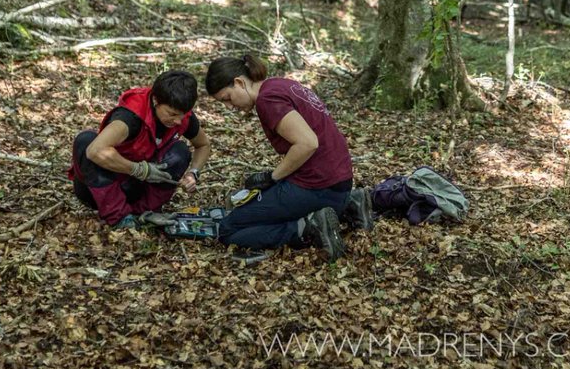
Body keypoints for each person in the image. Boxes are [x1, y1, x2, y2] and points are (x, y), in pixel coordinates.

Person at [206, 54, 370, 261]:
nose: (230, 107)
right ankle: (349, 205)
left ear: (239, 82)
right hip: (338, 181)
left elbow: (307, 143)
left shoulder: (268, 100)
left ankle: (307, 228)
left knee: (229, 229)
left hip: (319, 186)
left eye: (227, 99)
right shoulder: (278, 84)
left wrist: (272, 177)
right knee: (257, 206)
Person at [67, 70, 211, 228]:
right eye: (172, 114)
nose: (178, 121)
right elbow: (95, 151)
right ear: (156, 100)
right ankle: (120, 218)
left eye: (182, 115)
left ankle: (145, 212)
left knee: (180, 152)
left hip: (136, 189)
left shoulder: (183, 116)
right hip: (100, 191)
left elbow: (203, 144)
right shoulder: (131, 116)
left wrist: (193, 173)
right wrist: (139, 170)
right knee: (85, 141)